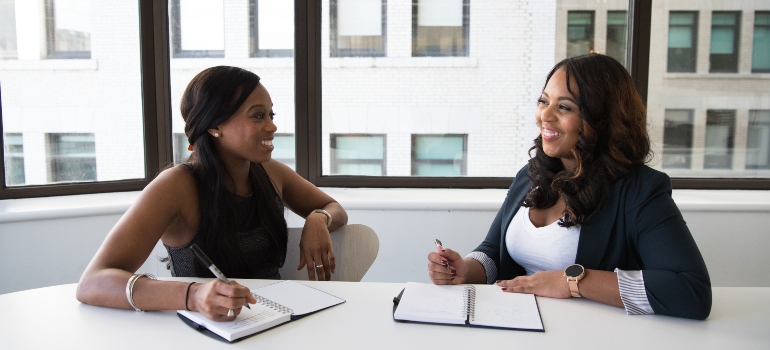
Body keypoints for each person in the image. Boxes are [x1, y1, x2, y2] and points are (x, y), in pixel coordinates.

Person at [427, 54, 711, 320]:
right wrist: (466, 270)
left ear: (602, 119)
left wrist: (573, 281)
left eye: (563, 107)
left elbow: (691, 291)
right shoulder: (531, 175)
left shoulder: (641, 190)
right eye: (543, 101)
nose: (544, 116)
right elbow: (494, 251)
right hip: (517, 326)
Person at [77, 66, 348, 321]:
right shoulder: (175, 185)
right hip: (201, 331)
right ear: (214, 125)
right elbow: (92, 282)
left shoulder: (270, 172)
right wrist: (193, 295)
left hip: (269, 322)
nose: (272, 127)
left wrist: (317, 218)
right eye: (258, 115)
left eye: (270, 115)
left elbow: (332, 207)